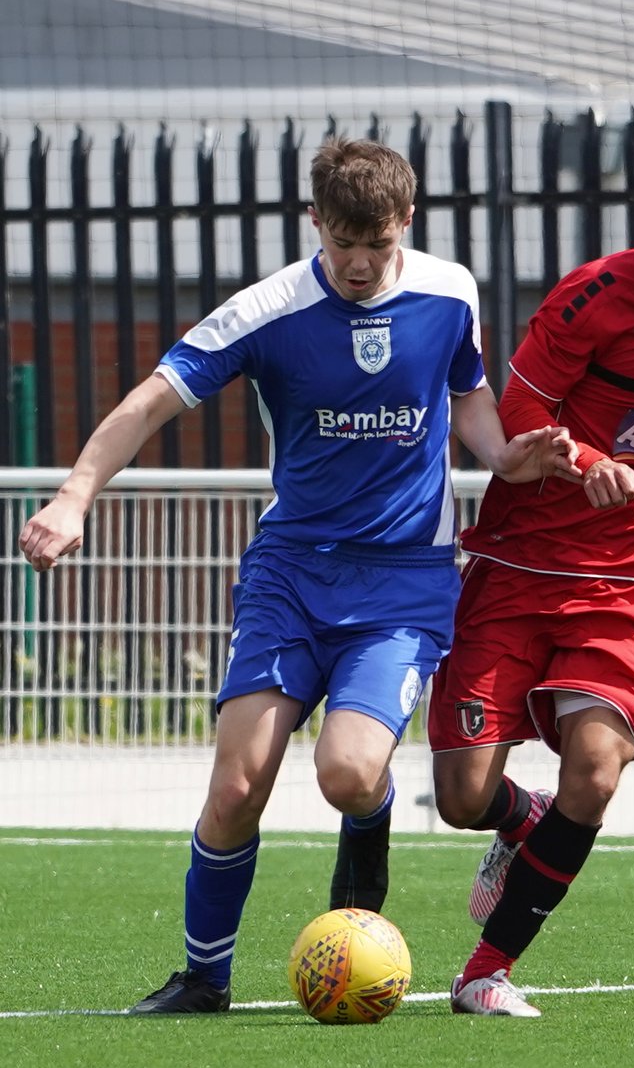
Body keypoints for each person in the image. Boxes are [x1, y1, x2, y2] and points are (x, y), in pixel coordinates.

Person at [19, 135, 578, 1014]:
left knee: (349, 774)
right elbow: (148, 402)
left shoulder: (448, 291)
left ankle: (363, 890)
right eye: (341, 244)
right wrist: (73, 497)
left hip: (402, 581)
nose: (359, 265)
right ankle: (203, 977)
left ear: (407, 222)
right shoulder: (267, 309)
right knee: (238, 785)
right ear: (314, 222)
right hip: (291, 577)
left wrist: (506, 456)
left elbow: (468, 396)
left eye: (377, 245)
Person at [426, 153, 634, 1016]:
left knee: (597, 769)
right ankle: (518, 819)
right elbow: (515, 416)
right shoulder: (590, 296)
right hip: (521, 563)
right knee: (464, 800)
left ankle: (485, 971)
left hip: (632, 583)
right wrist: (581, 460)